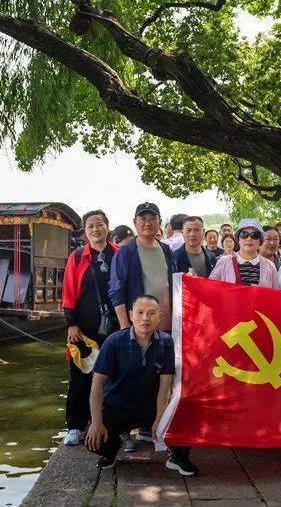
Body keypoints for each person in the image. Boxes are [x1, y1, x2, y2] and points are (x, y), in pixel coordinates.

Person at [85, 295, 197, 476]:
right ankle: (111, 449)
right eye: (140, 312)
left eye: (151, 313)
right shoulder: (114, 341)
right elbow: (97, 384)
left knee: (183, 412)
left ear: (159, 316)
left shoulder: (166, 342)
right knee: (94, 441)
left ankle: (178, 456)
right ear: (131, 315)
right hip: (117, 406)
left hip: (149, 406)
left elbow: (165, 386)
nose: (145, 318)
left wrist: (160, 418)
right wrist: (96, 422)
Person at [61, 210, 118, 446]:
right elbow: (68, 292)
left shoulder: (119, 254)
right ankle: (75, 425)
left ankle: (112, 423)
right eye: (91, 226)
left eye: (100, 224)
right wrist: (71, 323)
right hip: (84, 329)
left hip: (115, 327)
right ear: (85, 231)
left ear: (107, 226)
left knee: (114, 375)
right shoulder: (77, 257)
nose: (96, 229)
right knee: (81, 376)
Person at [109, 203, 176, 333]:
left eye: (152, 219)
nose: (147, 223)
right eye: (143, 219)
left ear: (160, 222)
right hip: (140, 326)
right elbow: (116, 290)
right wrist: (124, 324)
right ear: (135, 222)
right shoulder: (125, 253)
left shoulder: (166, 250)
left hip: (167, 324)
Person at [210, 219, 280, 288]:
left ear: (260, 240)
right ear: (238, 239)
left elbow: (276, 293)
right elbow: (210, 288)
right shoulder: (223, 262)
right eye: (244, 234)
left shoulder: (270, 267)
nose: (249, 238)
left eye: (254, 235)